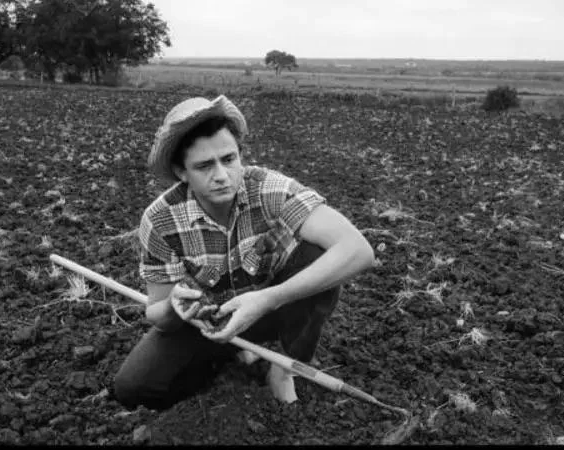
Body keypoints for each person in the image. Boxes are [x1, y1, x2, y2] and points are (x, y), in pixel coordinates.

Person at [113, 94, 375, 411]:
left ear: (241, 156)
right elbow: (157, 313)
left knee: (318, 255)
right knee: (133, 388)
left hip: (269, 309)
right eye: (204, 166)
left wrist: (269, 298)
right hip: (206, 323)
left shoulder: (269, 189)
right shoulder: (160, 220)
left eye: (229, 159)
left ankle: (283, 370)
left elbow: (358, 250)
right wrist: (173, 307)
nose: (222, 175)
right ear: (182, 172)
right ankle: (228, 357)